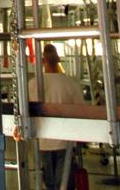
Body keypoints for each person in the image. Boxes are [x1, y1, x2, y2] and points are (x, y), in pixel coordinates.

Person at [28, 43, 84, 189]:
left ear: (42, 60)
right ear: (58, 60)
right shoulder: (70, 84)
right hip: (65, 142)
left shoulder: (32, 84)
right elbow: (82, 112)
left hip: (42, 141)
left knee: (48, 182)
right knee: (64, 182)